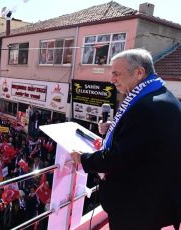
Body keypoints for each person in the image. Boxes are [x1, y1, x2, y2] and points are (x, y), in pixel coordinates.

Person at [70, 48, 181, 229]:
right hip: (153, 199)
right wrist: (115, 127)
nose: (111, 80)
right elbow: (144, 139)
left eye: (116, 74)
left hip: (138, 205)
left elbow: (118, 157)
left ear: (139, 73)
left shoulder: (146, 107)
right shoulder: (159, 95)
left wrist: (83, 158)